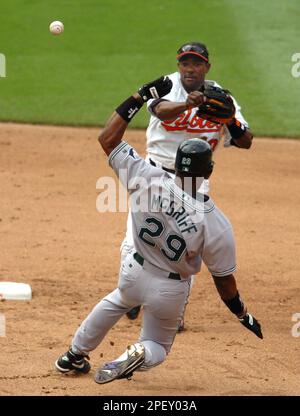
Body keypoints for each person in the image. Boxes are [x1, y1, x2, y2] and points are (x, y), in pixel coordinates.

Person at [55, 76, 262, 384]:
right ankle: (138, 351)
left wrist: (138, 97)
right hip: (170, 289)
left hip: (133, 270)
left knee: (116, 301)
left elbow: (108, 139)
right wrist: (241, 313)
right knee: (158, 345)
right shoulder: (215, 221)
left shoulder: (147, 177)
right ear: (209, 170)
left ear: (176, 165)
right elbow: (224, 281)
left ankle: (72, 355)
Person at [125, 41, 254, 328]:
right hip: (154, 176)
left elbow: (246, 140)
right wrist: (187, 103)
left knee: (187, 247)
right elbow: (159, 110)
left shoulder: (220, 95)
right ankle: (132, 295)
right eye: (185, 63)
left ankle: (170, 309)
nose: (190, 69)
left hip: (195, 183)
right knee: (134, 242)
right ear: (178, 65)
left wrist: (230, 119)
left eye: (196, 63)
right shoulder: (166, 86)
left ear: (207, 67)